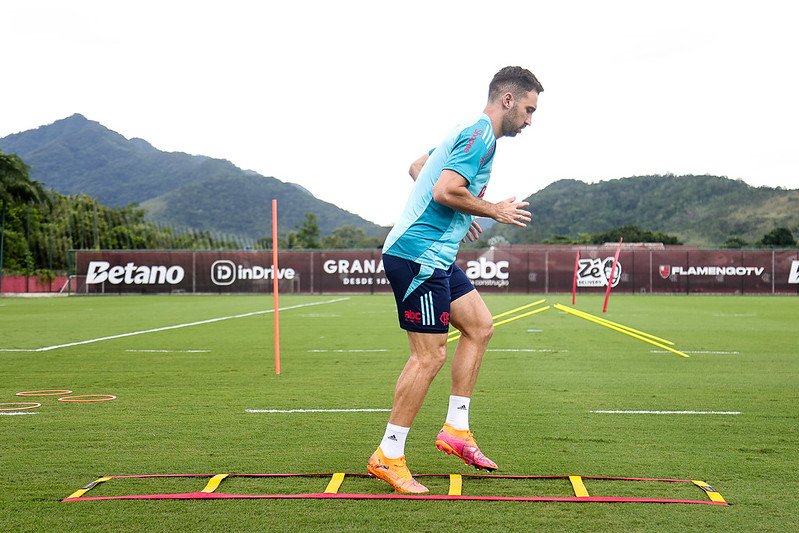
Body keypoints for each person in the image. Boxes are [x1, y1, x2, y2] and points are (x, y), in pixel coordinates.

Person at [367, 66, 544, 493]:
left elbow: (418, 167)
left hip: (438, 257)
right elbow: (444, 190)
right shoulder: (479, 136)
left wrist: (460, 212)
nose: (529, 120)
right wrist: (492, 209)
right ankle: (388, 455)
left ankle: (456, 430)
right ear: (507, 100)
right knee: (428, 357)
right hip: (417, 256)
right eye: (528, 109)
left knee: (480, 326)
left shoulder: (470, 133)